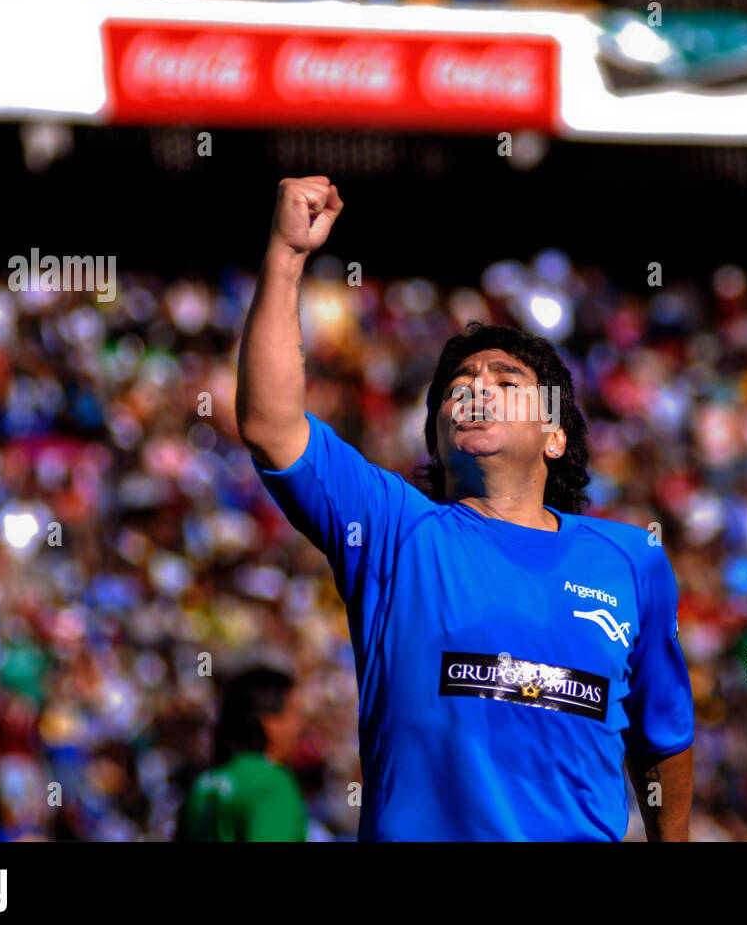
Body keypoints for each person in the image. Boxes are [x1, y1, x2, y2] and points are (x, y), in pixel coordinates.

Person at [235, 175, 694, 841]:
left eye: (507, 381)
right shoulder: (396, 531)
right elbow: (271, 425)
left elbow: (662, 738)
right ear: (440, 439)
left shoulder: (631, 560)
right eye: (459, 386)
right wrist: (285, 254)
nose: (476, 390)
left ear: (555, 434)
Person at [178, 668, 309, 841]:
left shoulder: (202, 785)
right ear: (270, 724)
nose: (301, 725)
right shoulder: (271, 784)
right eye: (294, 713)